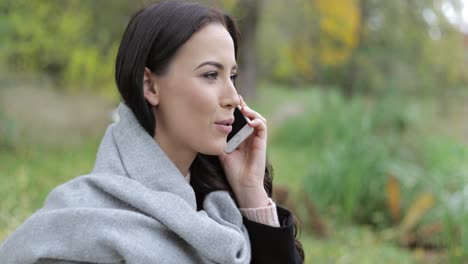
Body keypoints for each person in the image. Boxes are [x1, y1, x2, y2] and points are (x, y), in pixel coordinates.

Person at [0, 1, 304, 263]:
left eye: (232, 76)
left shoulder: (221, 209)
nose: (233, 97)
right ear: (150, 85)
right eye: (211, 75)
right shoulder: (83, 221)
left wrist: (251, 192)